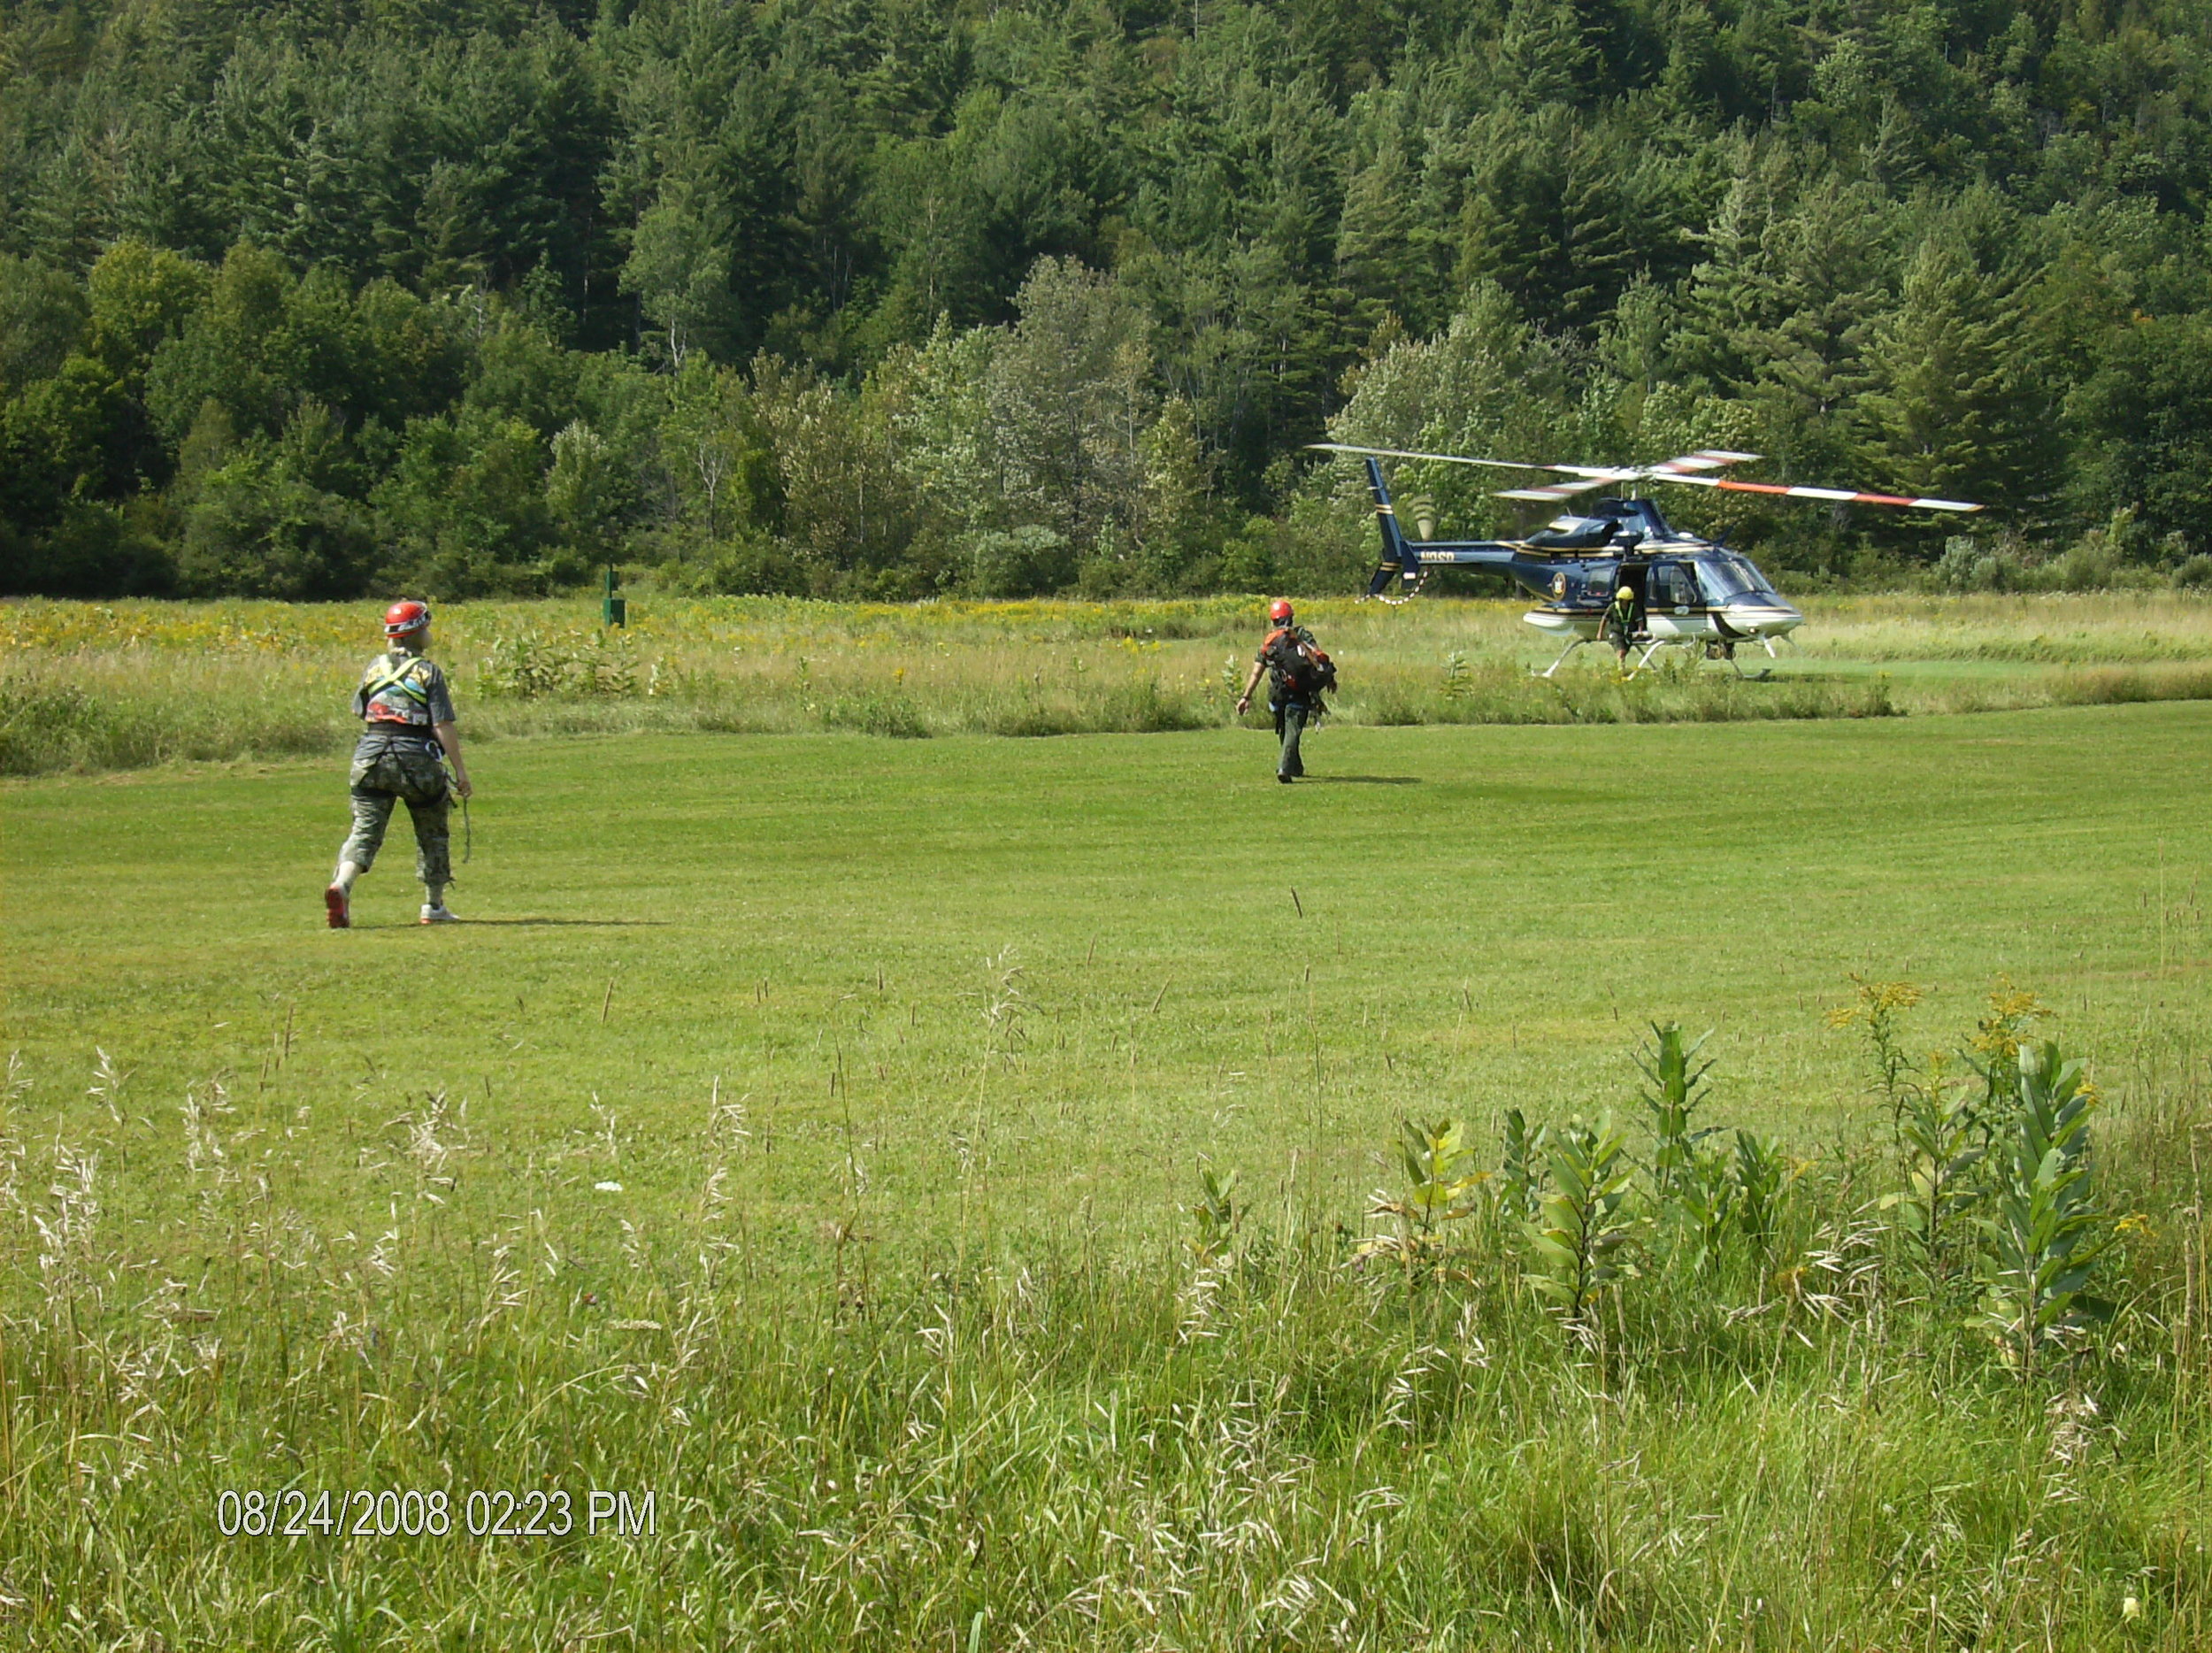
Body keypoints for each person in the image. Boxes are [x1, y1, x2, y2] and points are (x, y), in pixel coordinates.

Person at [325, 600, 472, 928]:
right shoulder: (429, 672)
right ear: (417, 632)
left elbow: (360, 711)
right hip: (415, 755)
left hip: (369, 756)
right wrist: (461, 772)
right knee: (432, 828)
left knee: (365, 829)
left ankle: (342, 885)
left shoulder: (373, 667)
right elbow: (442, 724)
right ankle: (434, 905)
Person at [1235, 598, 1327, 784]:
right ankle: (1285, 767)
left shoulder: (1270, 642)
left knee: (1287, 730)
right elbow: (1316, 655)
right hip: (1300, 690)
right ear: (1291, 617)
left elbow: (1256, 672)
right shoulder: (1301, 634)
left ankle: (1295, 766)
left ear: (1273, 620)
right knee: (1293, 730)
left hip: (1278, 693)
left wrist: (1246, 696)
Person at [1600, 583, 1640, 665]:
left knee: (1624, 653)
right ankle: (1620, 670)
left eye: (1627, 600)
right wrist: (1600, 633)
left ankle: (1622, 670)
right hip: (1615, 633)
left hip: (1626, 634)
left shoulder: (1633, 607)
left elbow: (1640, 620)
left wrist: (1640, 631)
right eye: (1624, 599)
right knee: (1621, 652)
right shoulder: (1613, 607)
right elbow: (1604, 619)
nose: (1625, 602)